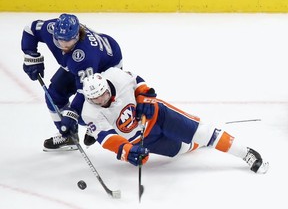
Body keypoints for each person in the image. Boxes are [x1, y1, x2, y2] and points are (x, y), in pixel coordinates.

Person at [59, 67, 269, 173]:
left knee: (203, 133)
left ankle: (246, 153)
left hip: (160, 116)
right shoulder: (89, 113)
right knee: (180, 149)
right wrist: (128, 152)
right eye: (95, 98)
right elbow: (107, 138)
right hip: (143, 139)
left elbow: (140, 83)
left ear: (106, 86)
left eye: (103, 94)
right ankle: (200, 141)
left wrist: (144, 99)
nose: (101, 100)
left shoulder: (116, 75)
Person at [21, 13, 123, 151]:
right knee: (53, 95)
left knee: (92, 105)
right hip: (78, 65)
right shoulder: (50, 28)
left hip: (107, 64)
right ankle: (68, 137)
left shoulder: (83, 56)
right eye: (60, 40)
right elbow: (30, 30)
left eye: (68, 41)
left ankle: (95, 125)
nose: (63, 44)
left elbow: (83, 92)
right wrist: (30, 54)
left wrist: (72, 113)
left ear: (77, 36)